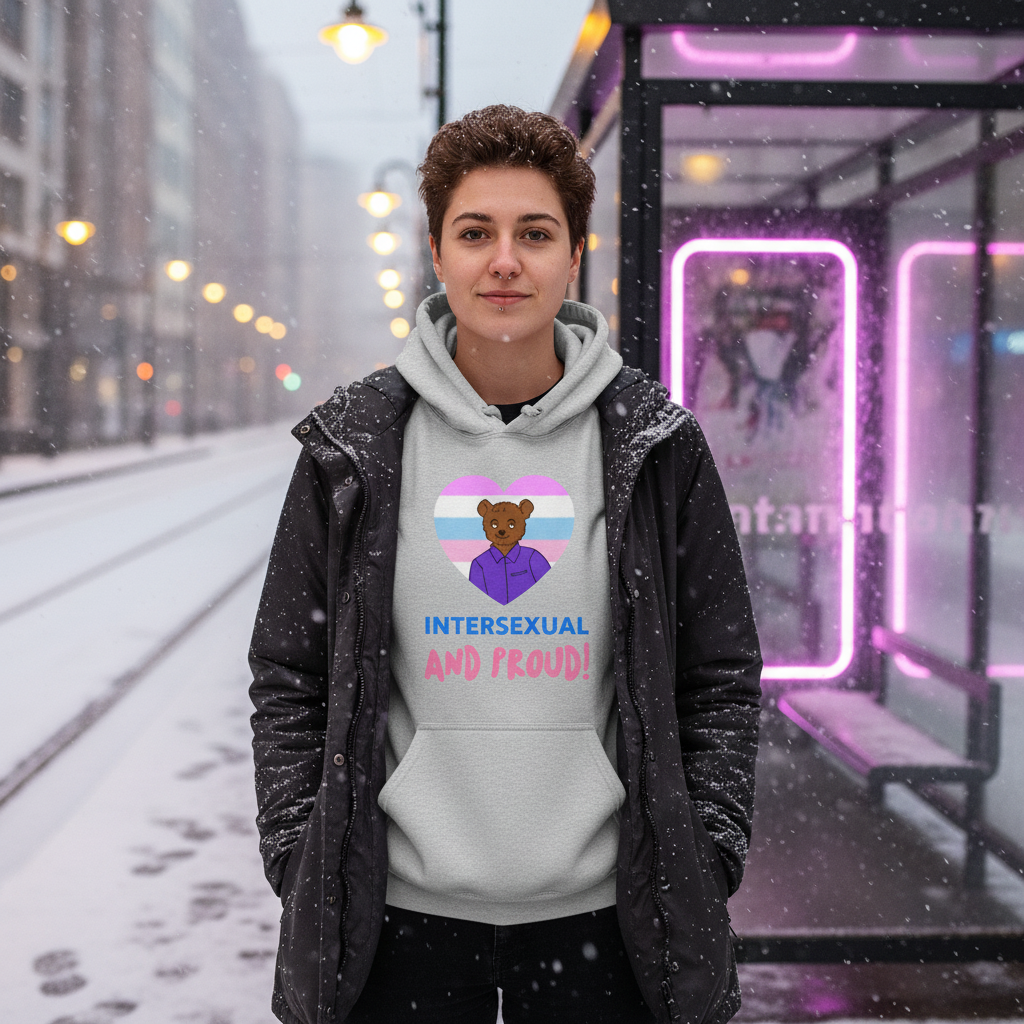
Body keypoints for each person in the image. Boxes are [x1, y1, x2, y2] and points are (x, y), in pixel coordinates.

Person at [249, 105, 762, 1024]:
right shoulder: (355, 446)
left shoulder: (655, 443)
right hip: (395, 921)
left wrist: (707, 845)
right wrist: (300, 848)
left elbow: (718, 672)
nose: (504, 261)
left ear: (574, 257)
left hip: (608, 925)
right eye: (475, 232)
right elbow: (289, 672)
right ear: (437, 254)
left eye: (535, 233)